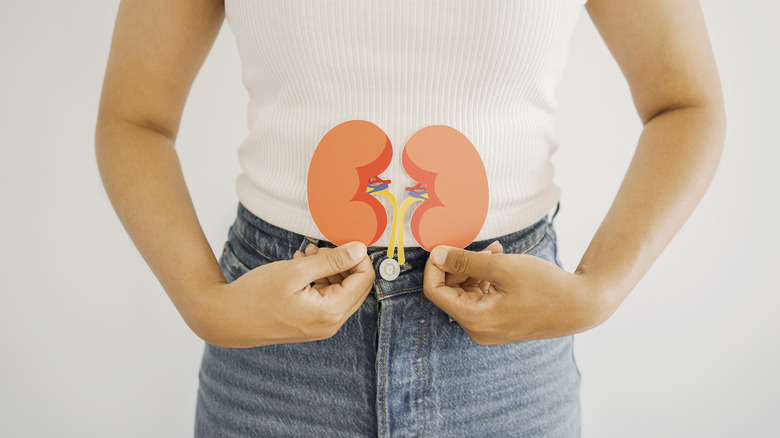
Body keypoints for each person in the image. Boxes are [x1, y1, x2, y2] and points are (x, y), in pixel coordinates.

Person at [95, 0, 725, 436]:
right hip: (273, 345)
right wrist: (203, 303)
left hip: (508, 350)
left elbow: (685, 103)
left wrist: (598, 291)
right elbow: (135, 118)